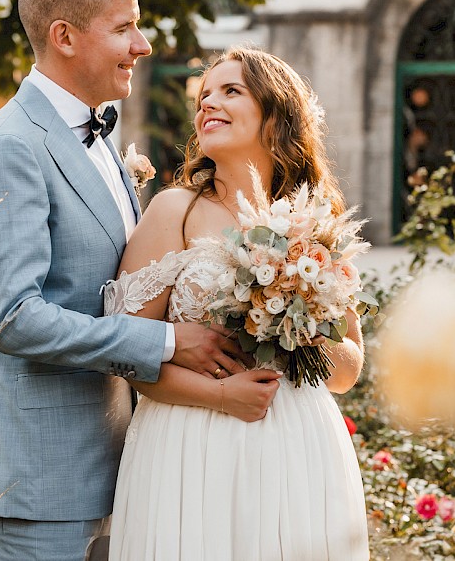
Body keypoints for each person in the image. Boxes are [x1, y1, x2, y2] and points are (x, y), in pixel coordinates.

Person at [0, 0, 248, 560]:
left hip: (112, 470)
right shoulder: (12, 145)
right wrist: (169, 342)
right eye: (125, 27)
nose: (142, 45)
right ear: (64, 35)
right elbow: (14, 319)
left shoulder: (99, 134)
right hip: (29, 487)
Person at [105, 45, 369, 560]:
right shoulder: (174, 210)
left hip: (299, 445)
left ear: (275, 116)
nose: (207, 104)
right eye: (203, 95)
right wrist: (222, 398)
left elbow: (346, 371)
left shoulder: (314, 223)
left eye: (230, 91)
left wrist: (298, 309)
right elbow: (124, 354)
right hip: (191, 444)